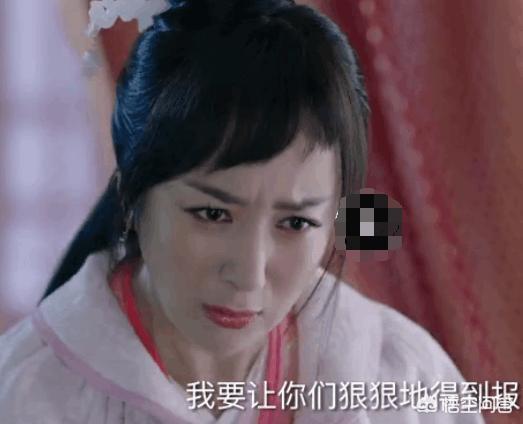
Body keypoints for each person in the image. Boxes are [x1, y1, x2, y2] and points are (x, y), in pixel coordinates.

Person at [0, 0, 485, 422]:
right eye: (212, 214)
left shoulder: (405, 381)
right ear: (132, 197)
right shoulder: (28, 395)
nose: (249, 274)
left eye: (295, 223)